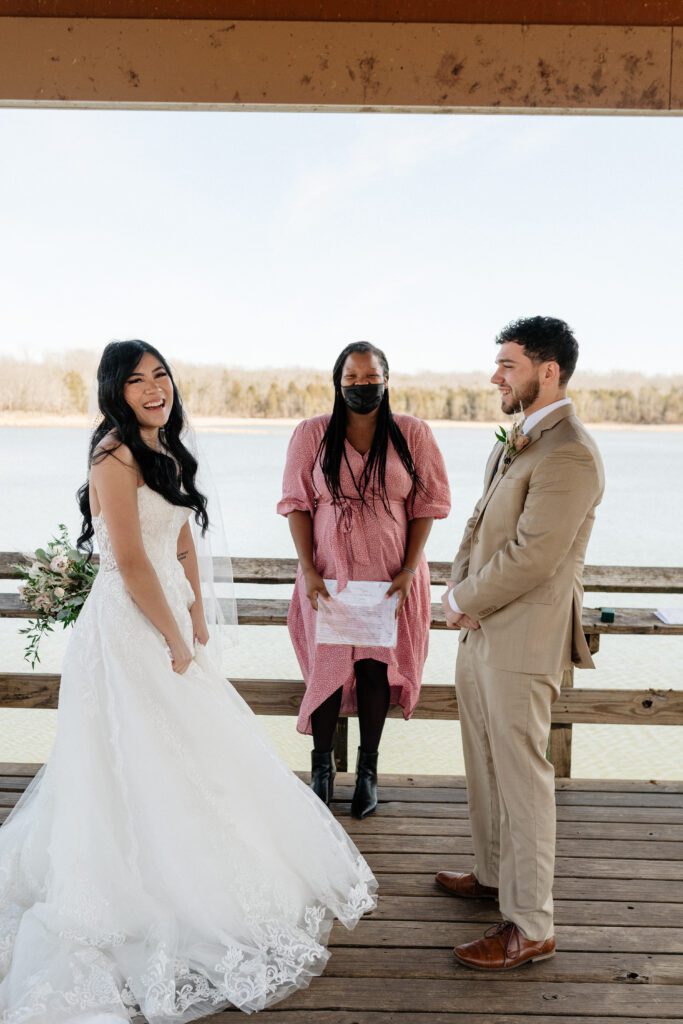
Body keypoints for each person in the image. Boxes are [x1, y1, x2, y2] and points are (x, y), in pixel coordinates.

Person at [0, 340, 377, 1023]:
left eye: (161, 375)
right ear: (115, 390)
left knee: (189, 745)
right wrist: (173, 637)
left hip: (171, 615)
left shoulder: (165, 451)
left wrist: (198, 614)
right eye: (138, 380)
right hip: (128, 627)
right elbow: (130, 560)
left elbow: (177, 542)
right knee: (134, 750)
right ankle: (135, 885)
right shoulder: (113, 456)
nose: (154, 388)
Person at [435, 316, 604, 971]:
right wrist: (457, 592)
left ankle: (530, 925)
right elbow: (478, 529)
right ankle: (489, 875)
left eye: (507, 365)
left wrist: (461, 601)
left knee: (524, 779)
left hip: (523, 639)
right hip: (481, 630)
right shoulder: (515, 444)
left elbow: (535, 556)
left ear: (547, 371)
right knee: (481, 762)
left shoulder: (571, 454)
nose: (494, 376)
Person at [277, 342, 451, 819]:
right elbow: (296, 503)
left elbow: (427, 505)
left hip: (390, 575)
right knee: (328, 670)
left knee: (376, 668)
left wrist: (410, 569)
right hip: (329, 574)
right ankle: (321, 771)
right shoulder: (312, 434)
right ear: (338, 383)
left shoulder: (411, 433)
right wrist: (309, 569)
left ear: (386, 379)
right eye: (351, 378)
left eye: (369, 376)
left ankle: (368, 773)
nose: (361, 385)